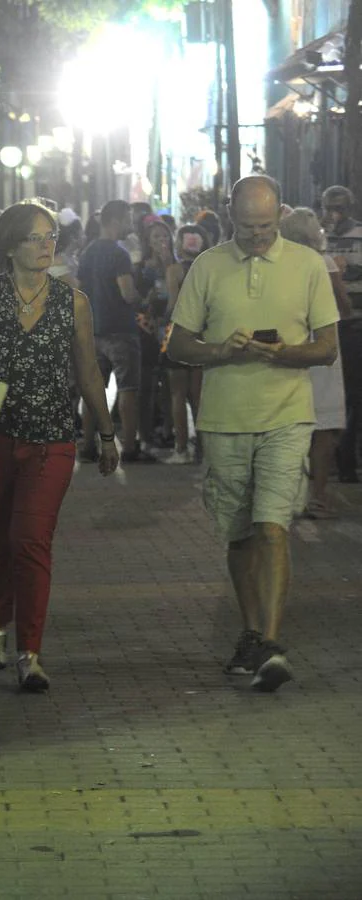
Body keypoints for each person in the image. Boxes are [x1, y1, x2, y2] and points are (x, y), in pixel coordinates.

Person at [0, 201, 119, 691]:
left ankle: (30, 652)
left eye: (50, 235)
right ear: (9, 245)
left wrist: (107, 430)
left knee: (29, 541)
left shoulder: (73, 301)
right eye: (34, 237)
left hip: (52, 436)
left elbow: (88, 370)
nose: (45, 244)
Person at [168, 175, 339, 692]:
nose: (258, 237)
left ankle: (269, 640)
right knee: (239, 533)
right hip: (224, 418)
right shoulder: (209, 265)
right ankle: (251, 633)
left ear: (280, 216)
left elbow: (327, 346)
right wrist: (220, 351)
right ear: (229, 216)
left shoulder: (308, 265)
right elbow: (178, 342)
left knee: (273, 526)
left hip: (287, 415)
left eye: (266, 227)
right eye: (247, 228)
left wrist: (284, 353)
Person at [280, 207, 351, 518]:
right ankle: (318, 497)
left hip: (288, 347)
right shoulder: (323, 264)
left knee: (289, 424)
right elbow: (344, 307)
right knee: (322, 428)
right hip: (322, 348)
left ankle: (286, 495)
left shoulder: (279, 263)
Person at [77, 200, 154, 462]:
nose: (131, 225)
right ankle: (130, 447)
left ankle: (87, 445)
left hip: (94, 330)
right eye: (128, 219)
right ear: (116, 220)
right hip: (121, 330)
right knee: (128, 389)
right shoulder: (119, 254)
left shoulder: (87, 252)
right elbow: (127, 293)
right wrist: (143, 298)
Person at [320, 185, 362, 483]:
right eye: (330, 207)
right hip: (327, 323)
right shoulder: (318, 238)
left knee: (354, 394)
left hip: (356, 322)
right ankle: (332, 459)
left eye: (341, 208)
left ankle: (346, 458)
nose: (335, 213)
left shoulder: (360, 235)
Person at [161, 225, 210, 463]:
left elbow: (172, 304)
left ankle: (181, 449)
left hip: (177, 332)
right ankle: (202, 448)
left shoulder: (174, 270)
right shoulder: (209, 270)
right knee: (199, 394)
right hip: (203, 333)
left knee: (177, 393)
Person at [136, 220, 183, 455]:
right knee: (149, 384)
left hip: (171, 329)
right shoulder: (141, 268)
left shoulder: (177, 266)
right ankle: (146, 433)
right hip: (148, 330)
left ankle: (168, 428)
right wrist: (148, 299)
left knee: (170, 383)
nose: (161, 242)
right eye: (156, 238)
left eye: (165, 237)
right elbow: (137, 301)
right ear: (148, 242)